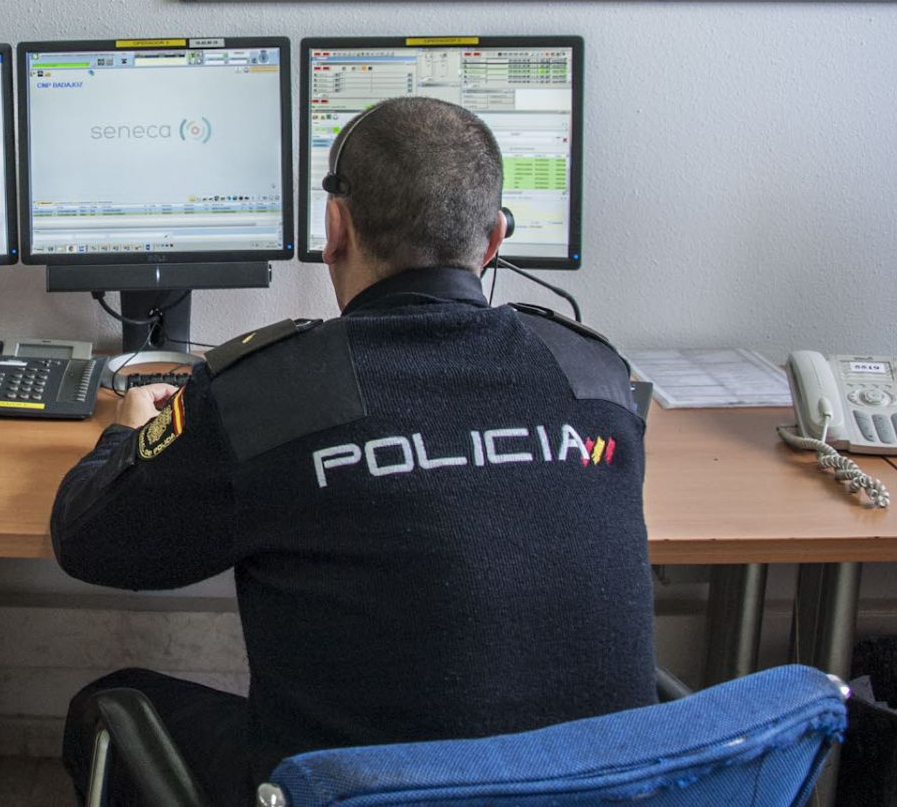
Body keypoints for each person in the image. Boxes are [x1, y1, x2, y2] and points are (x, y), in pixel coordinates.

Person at [50, 97, 655, 806]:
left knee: (106, 703)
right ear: (494, 240)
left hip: (359, 794)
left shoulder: (271, 389)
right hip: (596, 791)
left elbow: (92, 542)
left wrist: (124, 430)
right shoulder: (596, 376)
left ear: (335, 227)